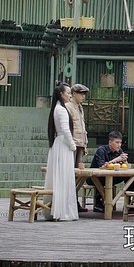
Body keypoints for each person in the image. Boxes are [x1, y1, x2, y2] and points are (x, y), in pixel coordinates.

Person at [43, 82, 78, 221]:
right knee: (63, 177)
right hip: (63, 144)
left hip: (59, 143)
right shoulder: (61, 110)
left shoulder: (57, 108)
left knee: (59, 176)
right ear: (61, 94)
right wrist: (72, 145)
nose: (70, 95)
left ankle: (56, 209)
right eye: (68, 93)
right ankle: (62, 211)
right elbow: (65, 129)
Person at [89, 130, 127, 214]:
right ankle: (98, 204)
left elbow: (125, 166)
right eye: (117, 142)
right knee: (101, 178)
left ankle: (129, 203)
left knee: (129, 177)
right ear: (110, 142)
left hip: (111, 176)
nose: (119, 145)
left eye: (120, 143)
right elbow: (101, 167)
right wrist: (116, 160)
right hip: (94, 177)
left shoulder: (120, 151)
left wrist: (124, 160)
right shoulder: (101, 150)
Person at [66, 84, 89, 168]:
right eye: (81, 94)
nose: (83, 96)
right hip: (72, 143)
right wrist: (70, 142)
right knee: (69, 168)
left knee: (78, 169)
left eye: (84, 94)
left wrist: (85, 144)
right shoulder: (68, 106)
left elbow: (82, 126)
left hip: (80, 143)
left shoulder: (80, 107)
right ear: (74, 93)